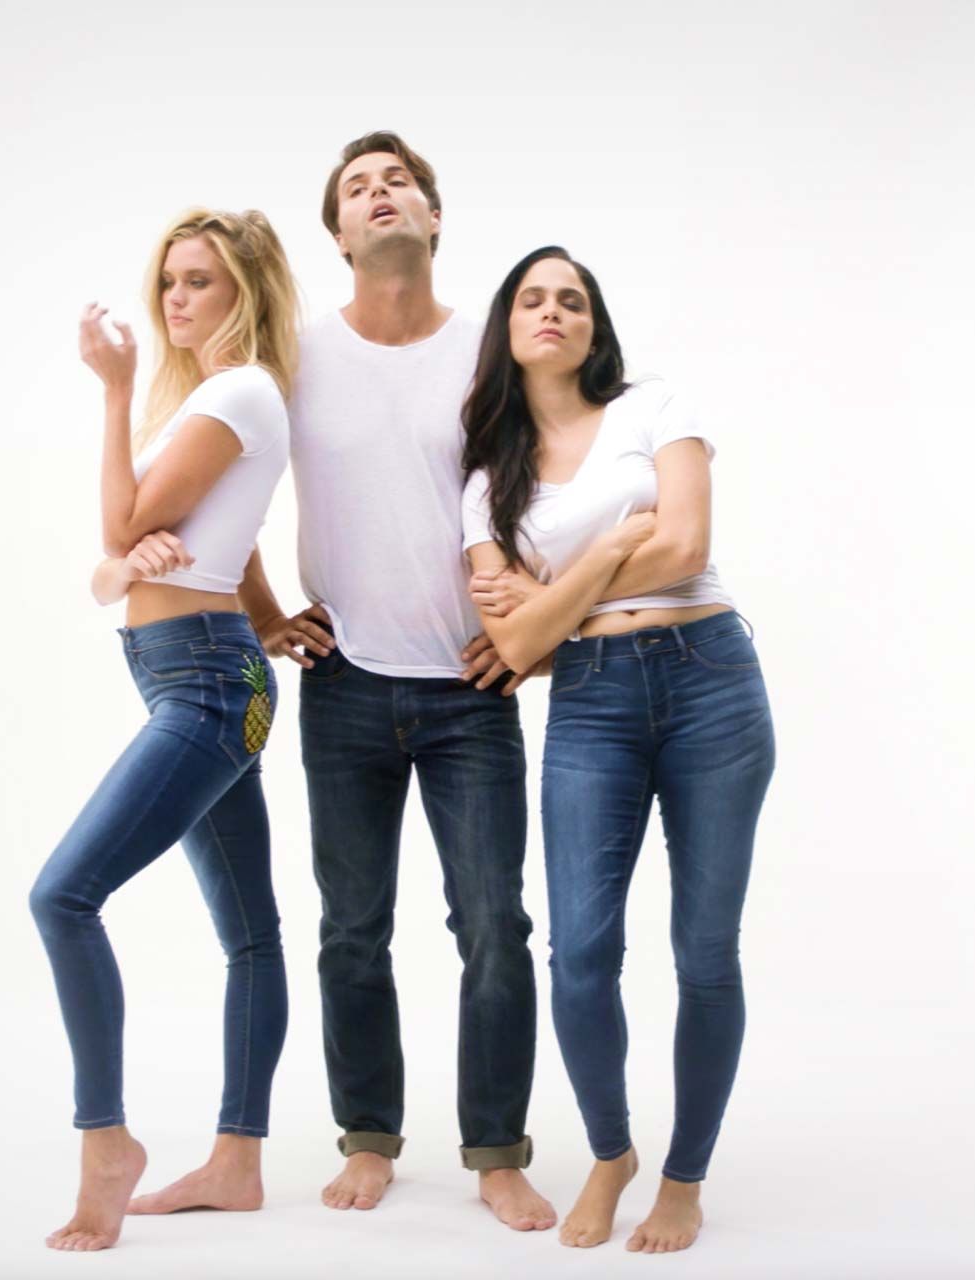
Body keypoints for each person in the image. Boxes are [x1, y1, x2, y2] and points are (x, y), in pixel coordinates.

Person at [235, 131, 555, 1229]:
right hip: (348, 683)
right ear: (337, 232)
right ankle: (369, 1135)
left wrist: (526, 631)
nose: (381, 197)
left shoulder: (487, 351)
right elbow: (222, 477)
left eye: (399, 183)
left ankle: (498, 1150)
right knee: (351, 925)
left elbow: (538, 491)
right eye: (359, 189)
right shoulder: (296, 356)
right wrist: (271, 613)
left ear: (433, 217)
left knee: (495, 923)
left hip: (475, 687)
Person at [460, 246, 775, 1254]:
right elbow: (512, 645)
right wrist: (603, 550)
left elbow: (683, 545)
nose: (554, 310)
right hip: (590, 700)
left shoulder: (653, 406)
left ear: (594, 327)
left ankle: (682, 1176)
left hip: (712, 680)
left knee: (704, 951)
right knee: (582, 953)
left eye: (574, 299)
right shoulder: (486, 482)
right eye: (534, 297)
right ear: (508, 325)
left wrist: (553, 596)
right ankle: (612, 1150)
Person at [29, 207, 300, 1252]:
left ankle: (107, 1140)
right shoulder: (229, 397)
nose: (179, 299)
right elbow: (221, 539)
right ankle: (237, 1162)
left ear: (247, 293)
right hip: (197, 675)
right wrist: (271, 615)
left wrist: (111, 391)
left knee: (64, 893)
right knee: (250, 934)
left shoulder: (236, 390)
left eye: (201, 282)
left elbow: (124, 529)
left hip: (204, 689)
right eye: (171, 281)